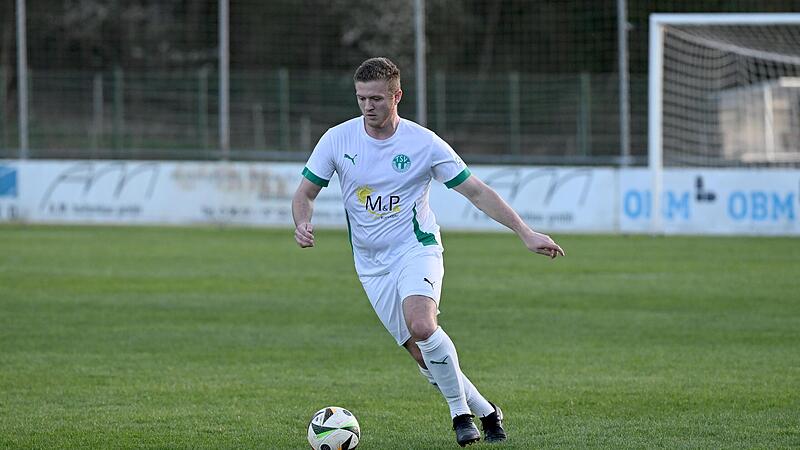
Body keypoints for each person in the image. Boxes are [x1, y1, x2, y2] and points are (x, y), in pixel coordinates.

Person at [292, 57, 565, 447]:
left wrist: (524, 232)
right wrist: (301, 222)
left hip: (415, 248)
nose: (368, 107)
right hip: (370, 265)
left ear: (396, 96)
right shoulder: (337, 139)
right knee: (424, 355)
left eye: (376, 99)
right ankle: (488, 411)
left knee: (422, 324)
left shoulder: (423, 143)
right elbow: (304, 194)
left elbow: (477, 191)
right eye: (361, 99)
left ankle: (460, 415)